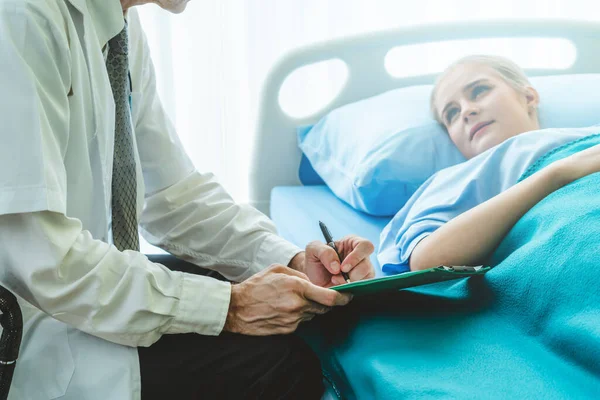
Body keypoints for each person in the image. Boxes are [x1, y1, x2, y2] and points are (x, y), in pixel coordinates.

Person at [0, 0, 375, 399]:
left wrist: (291, 263)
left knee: (276, 305)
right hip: (32, 337)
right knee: (279, 365)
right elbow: (46, 263)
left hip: (74, 294)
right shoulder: (23, 19)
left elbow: (174, 197)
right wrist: (232, 308)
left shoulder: (117, 26)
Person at [378, 54, 600, 273]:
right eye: (452, 113)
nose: (466, 110)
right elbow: (426, 260)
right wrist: (557, 175)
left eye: (479, 91)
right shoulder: (451, 181)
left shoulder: (589, 135)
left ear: (529, 97)